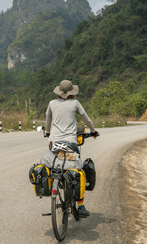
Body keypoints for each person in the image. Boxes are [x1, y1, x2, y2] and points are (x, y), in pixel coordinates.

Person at [45, 80, 99, 217]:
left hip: (54, 144)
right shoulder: (75, 103)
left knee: (55, 163)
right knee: (77, 169)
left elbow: (48, 120)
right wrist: (93, 131)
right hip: (70, 144)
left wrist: (47, 132)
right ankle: (80, 206)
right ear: (72, 93)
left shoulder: (52, 103)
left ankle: (55, 183)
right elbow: (87, 120)